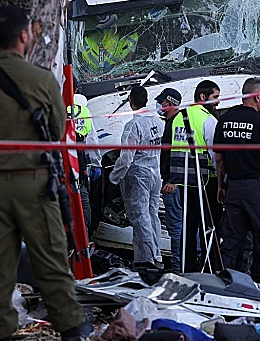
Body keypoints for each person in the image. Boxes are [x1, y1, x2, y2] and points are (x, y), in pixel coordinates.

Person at [0, 5, 108, 341]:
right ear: (24, 36)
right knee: (54, 269)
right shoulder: (43, 81)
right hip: (36, 186)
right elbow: (58, 131)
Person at [214, 77, 260, 284]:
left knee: (231, 241)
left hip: (233, 187)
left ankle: (223, 283)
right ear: (256, 96)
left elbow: (219, 159)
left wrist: (221, 186)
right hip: (257, 189)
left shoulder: (225, 120)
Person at [169, 80, 221, 272]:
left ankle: (187, 267)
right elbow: (215, 155)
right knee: (209, 226)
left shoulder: (179, 116)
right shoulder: (208, 119)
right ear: (202, 96)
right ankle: (209, 268)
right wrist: (221, 180)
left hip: (184, 181)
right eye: (215, 97)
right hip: (206, 180)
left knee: (188, 226)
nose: (218, 102)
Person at [109, 86, 164, 268]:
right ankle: (152, 256)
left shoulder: (133, 125)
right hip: (155, 173)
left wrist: (114, 177)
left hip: (139, 176)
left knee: (140, 218)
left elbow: (126, 158)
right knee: (152, 215)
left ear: (130, 102)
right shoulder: (157, 122)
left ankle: (148, 259)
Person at [157, 87, 184, 272]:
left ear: (170, 103)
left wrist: (172, 180)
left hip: (173, 183)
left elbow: (177, 153)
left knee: (175, 227)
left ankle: (177, 267)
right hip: (176, 182)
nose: (160, 106)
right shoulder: (172, 122)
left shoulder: (175, 123)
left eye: (163, 102)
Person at [68, 92, 102, 238]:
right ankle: (84, 238)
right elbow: (92, 140)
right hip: (80, 165)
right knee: (83, 205)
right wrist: (96, 163)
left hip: (63, 165)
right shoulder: (84, 111)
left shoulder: (58, 106)